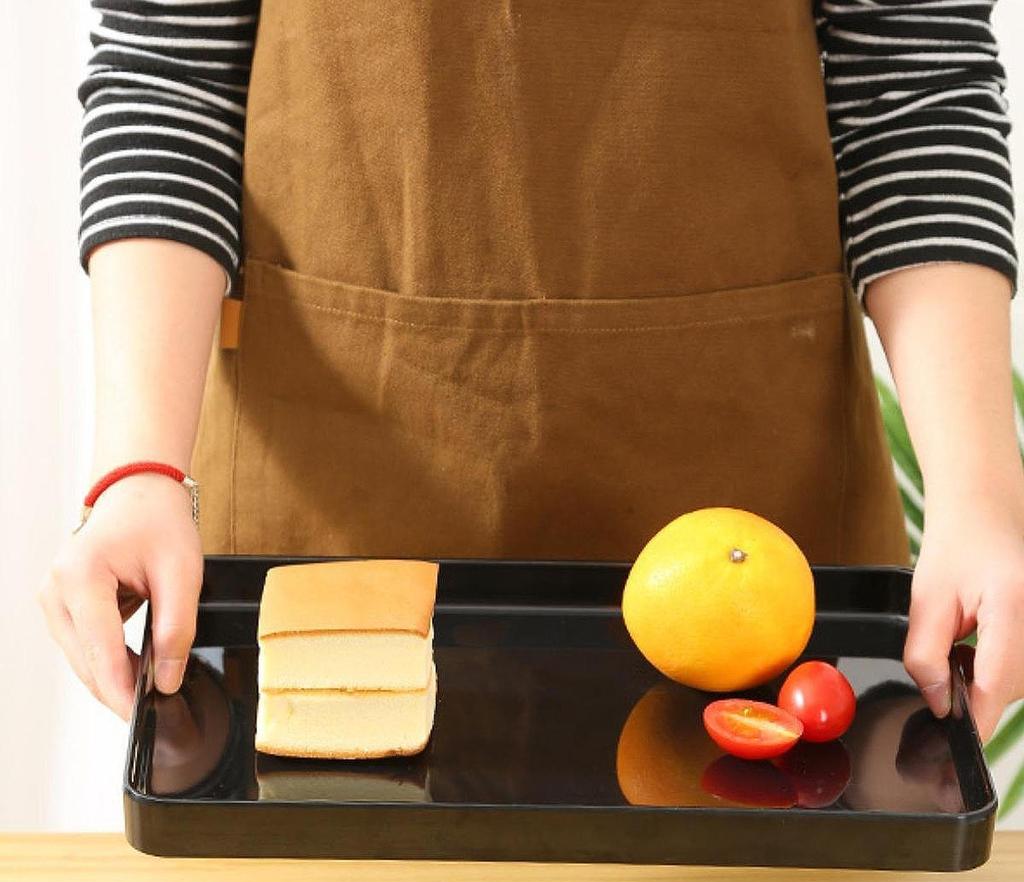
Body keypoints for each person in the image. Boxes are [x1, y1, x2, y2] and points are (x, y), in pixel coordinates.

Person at [39, 1, 1024, 742]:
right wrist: (135, 471)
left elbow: (908, 78)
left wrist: (980, 493)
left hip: (748, 498)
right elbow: (170, 73)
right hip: (330, 503)